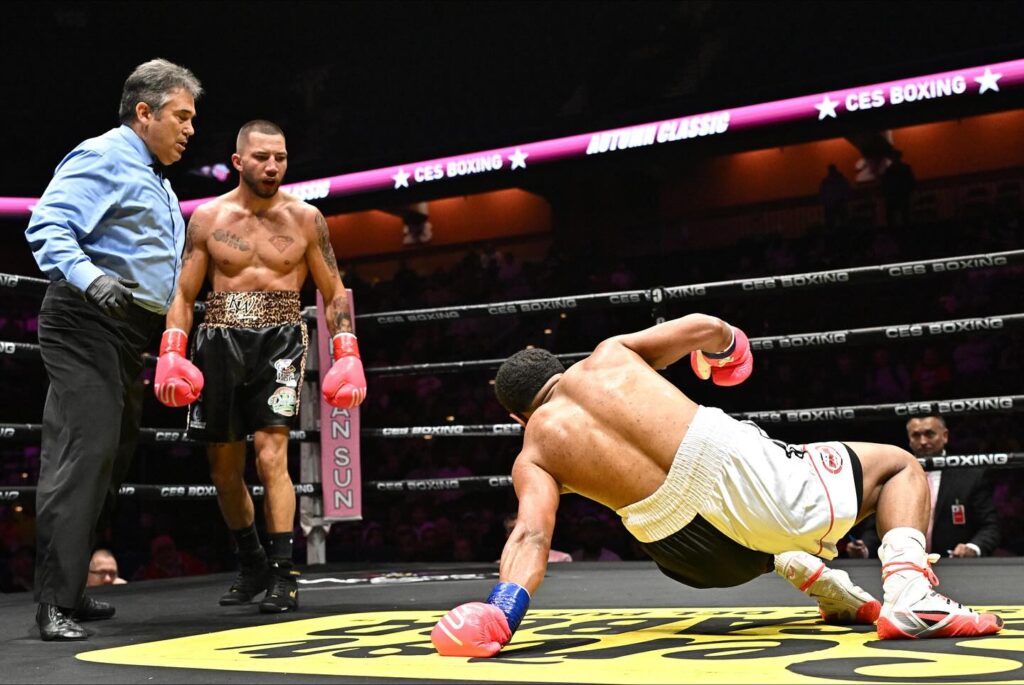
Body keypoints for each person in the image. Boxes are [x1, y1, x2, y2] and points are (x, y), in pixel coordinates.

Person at [431, 314, 1002, 657]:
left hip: (693, 559)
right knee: (897, 465)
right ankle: (911, 597)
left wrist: (500, 613)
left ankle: (808, 570)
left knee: (666, 517)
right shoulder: (610, 356)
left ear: (516, 418)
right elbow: (707, 328)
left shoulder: (533, 452)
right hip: (744, 480)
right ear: (560, 366)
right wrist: (728, 354)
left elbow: (531, 535)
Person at [154, 119, 366, 614]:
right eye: (262, 157)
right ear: (238, 161)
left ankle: (284, 573)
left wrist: (348, 353)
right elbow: (184, 293)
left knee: (273, 456)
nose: (273, 167)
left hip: (281, 341)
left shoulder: (307, 219)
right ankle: (251, 563)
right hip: (220, 339)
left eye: (281, 158)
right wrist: (172, 351)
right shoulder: (207, 218)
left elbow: (334, 291)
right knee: (224, 470)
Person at [24, 58, 202, 641]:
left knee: (113, 456)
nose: (190, 129)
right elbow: (47, 225)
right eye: (181, 116)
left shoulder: (154, 176)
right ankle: (53, 603)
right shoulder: (104, 155)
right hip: (87, 321)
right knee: (84, 455)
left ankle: (71, 591)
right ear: (144, 112)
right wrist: (88, 277)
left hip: (127, 333)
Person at [847, 415, 1001, 559]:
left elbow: (990, 526)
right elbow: (876, 528)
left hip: (955, 566)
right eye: (916, 435)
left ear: (945, 436)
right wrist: (864, 549)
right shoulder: (893, 476)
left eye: (929, 434)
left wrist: (972, 548)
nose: (922, 441)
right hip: (905, 566)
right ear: (909, 439)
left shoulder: (970, 477)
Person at [881, 149, 916, 227]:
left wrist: (886, 194)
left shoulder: (889, 170)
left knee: (893, 217)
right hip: (902, 194)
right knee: (905, 216)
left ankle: (894, 234)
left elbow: (885, 184)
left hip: (894, 196)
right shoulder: (905, 168)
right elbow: (911, 181)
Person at [819, 164, 852, 230]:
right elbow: (847, 190)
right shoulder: (841, 180)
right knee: (843, 222)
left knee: (832, 224)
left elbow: (823, 193)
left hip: (832, 205)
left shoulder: (826, 181)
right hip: (839, 204)